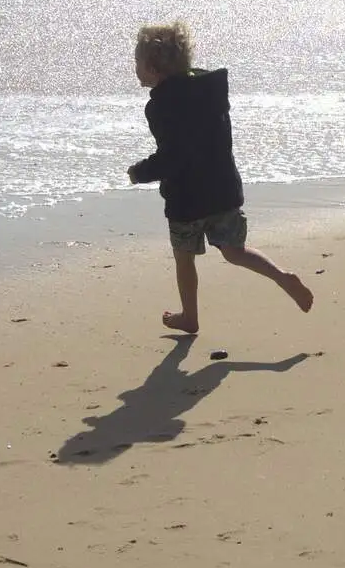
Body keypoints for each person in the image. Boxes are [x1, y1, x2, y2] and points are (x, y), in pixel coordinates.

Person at [128, 21, 313, 334]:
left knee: (184, 258)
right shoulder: (208, 91)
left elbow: (173, 156)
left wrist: (141, 172)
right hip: (223, 191)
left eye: (137, 62)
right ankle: (283, 277)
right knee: (235, 252)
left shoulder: (159, 106)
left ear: (153, 67)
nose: (135, 68)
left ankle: (189, 316)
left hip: (186, 201)